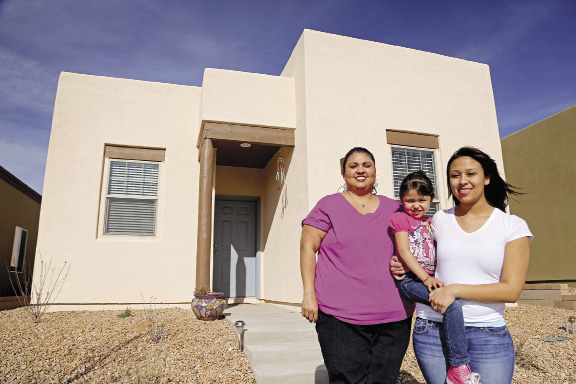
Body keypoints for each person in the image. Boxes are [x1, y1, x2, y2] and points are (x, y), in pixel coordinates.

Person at [391, 146, 532, 384]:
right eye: (455, 176)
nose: (462, 181)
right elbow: (420, 251)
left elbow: (511, 290)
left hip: (487, 333)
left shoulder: (512, 226)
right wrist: (401, 263)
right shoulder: (439, 219)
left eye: (471, 173)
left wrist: (454, 290)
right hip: (432, 329)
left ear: (487, 178)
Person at [300, 147, 414, 384]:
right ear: (344, 174)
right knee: (346, 379)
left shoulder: (395, 208)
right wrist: (309, 295)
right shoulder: (328, 205)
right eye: (353, 166)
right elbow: (307, 248)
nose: (360, 170)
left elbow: (413, 247)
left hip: (394, 315)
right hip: (340, 316)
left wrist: (403, 262)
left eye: (366, 165)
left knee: (384, 379)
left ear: (374, 171)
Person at [389, 170, 478, 384]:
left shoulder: (431, 223)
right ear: (402, 199)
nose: (416, 205)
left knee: (451, 306)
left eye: (422, 199)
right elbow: (404, 251)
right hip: (411, 282)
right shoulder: (400, 219)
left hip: (428, 278)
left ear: (431, 199)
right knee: (452, 305)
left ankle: (456, 362)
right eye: (410, 200)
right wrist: (426, 279)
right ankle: (459, 365)